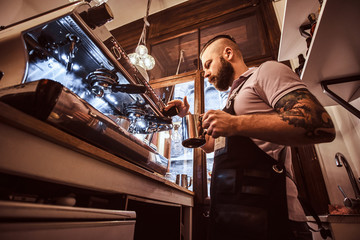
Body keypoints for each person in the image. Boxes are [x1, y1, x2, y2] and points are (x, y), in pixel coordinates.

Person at [164, 35, 335, 240]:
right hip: (230, 221)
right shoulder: (232, 98)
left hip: (271, 220)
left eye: (208, 65)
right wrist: (187, 119)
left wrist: (235, 124)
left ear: (228, 53)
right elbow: (211, 146)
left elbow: (318, 123)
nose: (206, 74)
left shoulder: (266, 72)